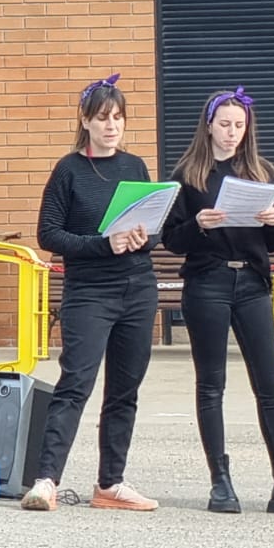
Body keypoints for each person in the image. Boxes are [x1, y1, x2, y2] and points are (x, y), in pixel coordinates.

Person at [160, 87, 274, 516]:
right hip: (208, 282)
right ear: (209, 126)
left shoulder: (259, 171)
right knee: (211, 384)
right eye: (225, 124)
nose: (232, 132)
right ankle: (220, 481)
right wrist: (198, 224)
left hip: (252, 282)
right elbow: (172, 239)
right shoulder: (188, 175)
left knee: (269, 385)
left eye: (239, 125)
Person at [21, 74, 162, 512]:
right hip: (89, 292)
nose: (111, 125)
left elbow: (154, 227)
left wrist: (143, 237)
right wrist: (104, 244)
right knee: (75, 383)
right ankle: (46, 481)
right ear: (85, 121)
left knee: (124, 389)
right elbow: (49, 234)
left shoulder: (135, 166)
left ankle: (110, 483)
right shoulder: (69, 170)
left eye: (118, 117)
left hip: (138, 288)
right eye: (102, 118)